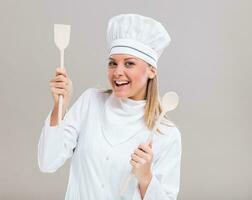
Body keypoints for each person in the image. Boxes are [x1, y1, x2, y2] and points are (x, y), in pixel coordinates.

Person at [38, 13, 182, 200]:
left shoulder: (166, 133)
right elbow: (48, 161)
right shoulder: (90, 102)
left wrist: (146, 178)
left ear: (151, 71)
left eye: (129, 63)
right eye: (113, 63)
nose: (117, 72)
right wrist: (60, 105)